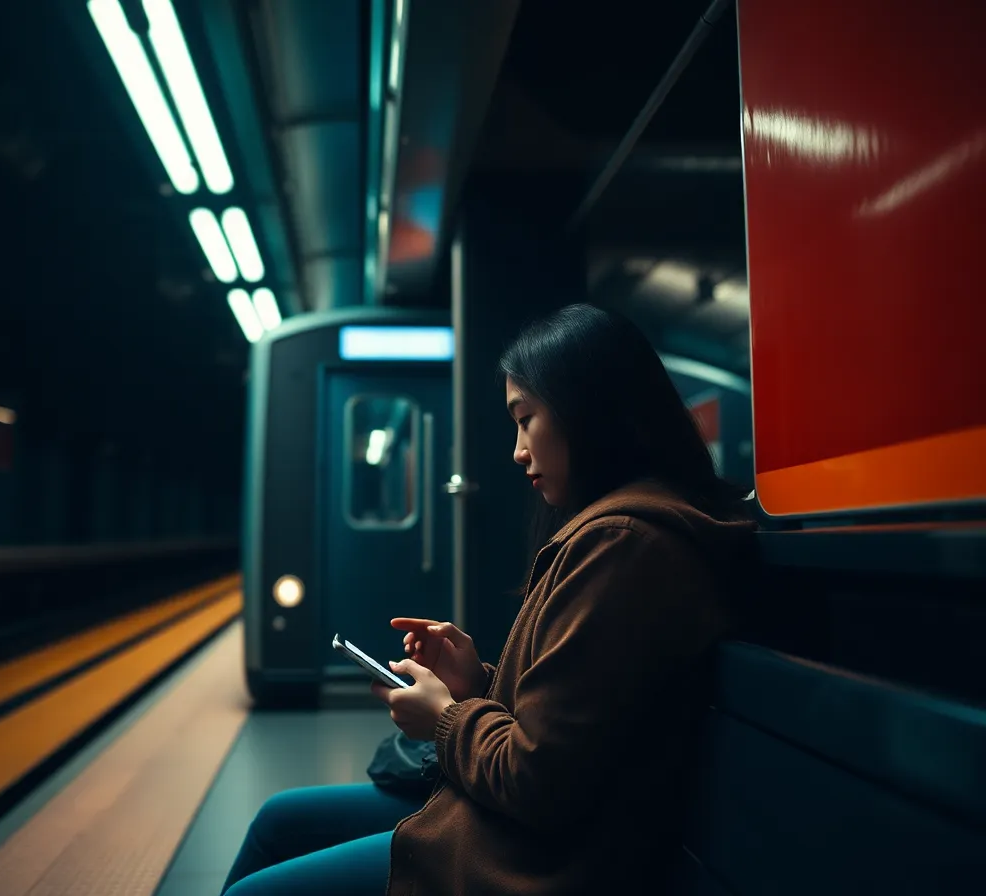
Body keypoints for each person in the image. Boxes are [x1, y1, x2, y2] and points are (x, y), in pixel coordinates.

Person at [222, 304, 756, 895]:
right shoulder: (627, 533)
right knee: (281, 819)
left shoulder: (623, 545)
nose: (518, 450)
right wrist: (476, 682)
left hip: (535, 862)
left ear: (589, 412)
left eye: (527, 419)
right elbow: (583, 723)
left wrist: (444, 718)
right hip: (520, 832)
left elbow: (538, 780)